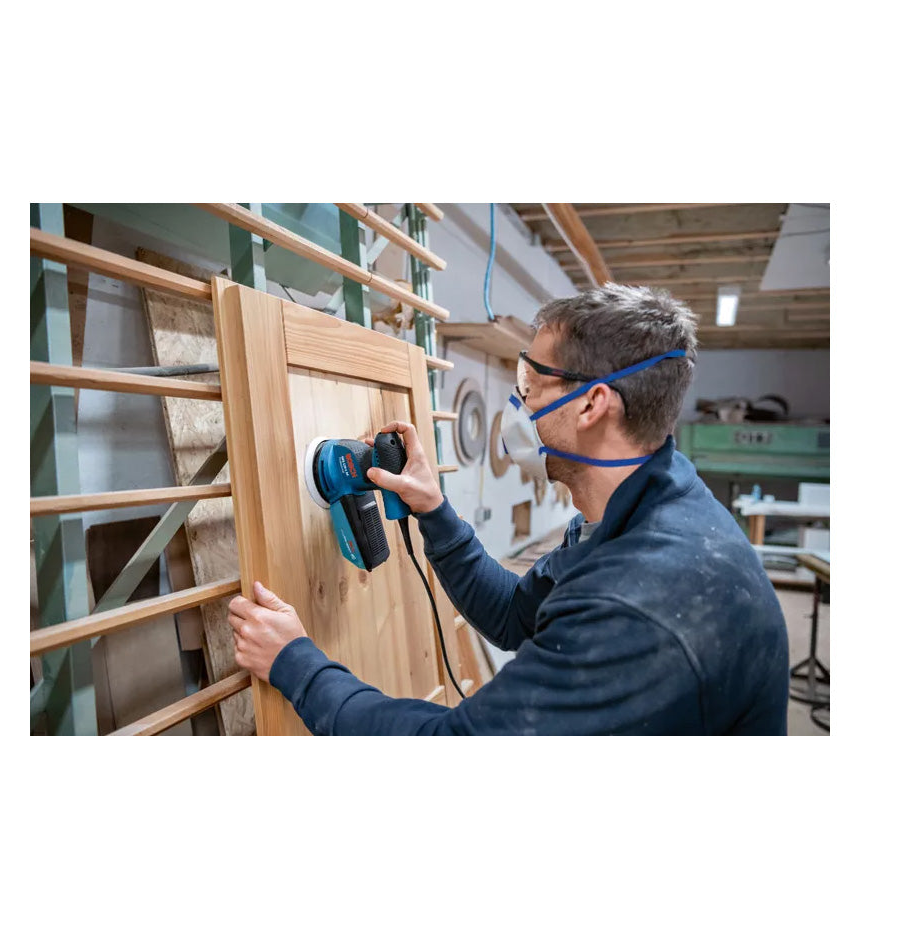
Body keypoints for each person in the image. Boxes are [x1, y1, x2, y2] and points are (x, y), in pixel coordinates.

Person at [227, 284, 789, 735]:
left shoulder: (638, 602)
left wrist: (293, 662)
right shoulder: (637, 509)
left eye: (532, 382)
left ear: (592, 404)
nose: (520, 403)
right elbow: (513, 616)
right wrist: (434, 509)